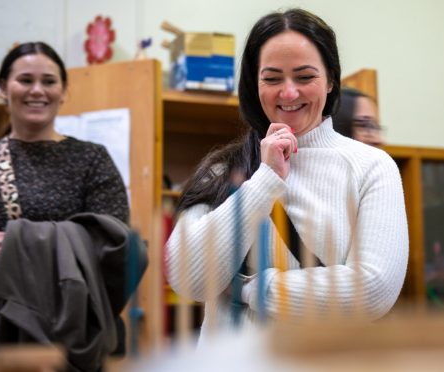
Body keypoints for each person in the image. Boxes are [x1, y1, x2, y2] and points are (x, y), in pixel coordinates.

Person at [165, 8, 408, 337]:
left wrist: (252, 291)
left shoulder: (372, 167)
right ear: (255, 83)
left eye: (305, 77)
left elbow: (373, 291)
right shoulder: (222, 170)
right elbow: (188, 278)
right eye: (272, 78)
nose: (289, 93)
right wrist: (265, 181)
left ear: (332, 79)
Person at [0, 41, 129, 345]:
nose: (37, 90)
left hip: (49, 333)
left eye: (49, 82)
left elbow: (111, 241)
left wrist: (21, 240)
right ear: (2, 88)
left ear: (64, 92)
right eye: (25, 80)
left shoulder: (91, 159)